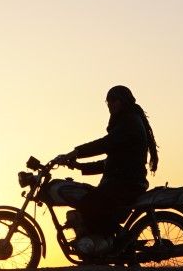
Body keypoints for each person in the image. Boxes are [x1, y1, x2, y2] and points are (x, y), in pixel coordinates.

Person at [56, 85, 159, 256]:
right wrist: (79, 166)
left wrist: (77, 152)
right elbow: (110, 163)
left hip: (126, 182)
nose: (110, 106)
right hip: (122, 180)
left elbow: (106, 144)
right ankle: (101, 240)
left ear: (122, 101)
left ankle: (105, 243)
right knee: (88, 197)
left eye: (113, 101)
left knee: (87, 203)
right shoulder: (126, 121)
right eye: (108, 102)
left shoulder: (129, 121)